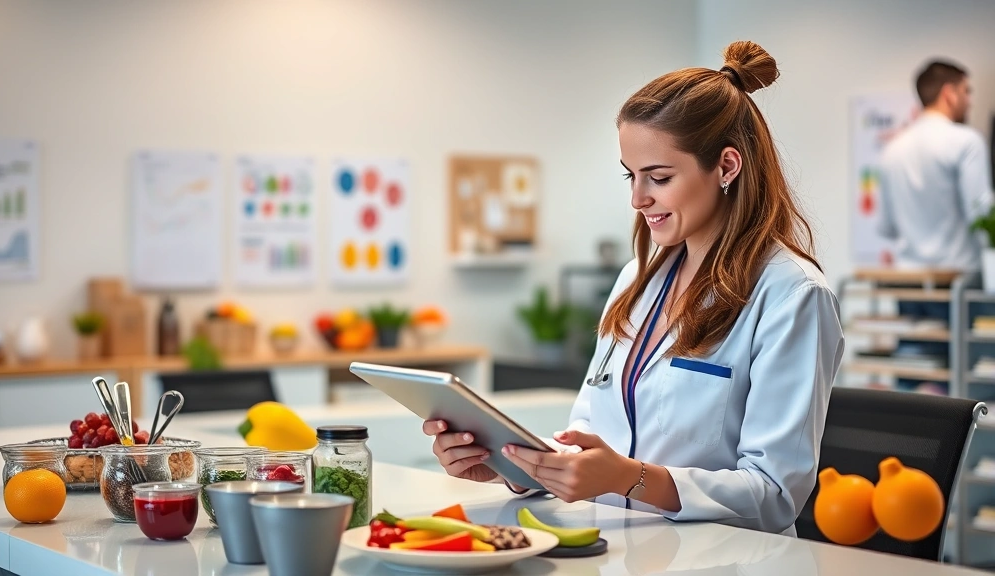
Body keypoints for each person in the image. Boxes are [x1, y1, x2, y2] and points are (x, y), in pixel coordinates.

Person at [423, 40, 844, 536]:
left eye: (659, 177)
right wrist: (509, 468)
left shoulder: (792, 296)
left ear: (727, 167)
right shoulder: (637, 280)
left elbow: (774, 495)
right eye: (631, 176)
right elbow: (590, 444)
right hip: (619, 548)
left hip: (727, 560)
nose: (638, 198)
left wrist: (631, 478)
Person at [875, 60, 994, 393]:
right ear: (949, 93)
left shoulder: (892, 150)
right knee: (968, 388)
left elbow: (885, 226)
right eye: (966, 91)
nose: (969, 100)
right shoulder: (965, 141)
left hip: (909, 283)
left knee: (915, 383)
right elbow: (982, 217)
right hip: (960, 283)